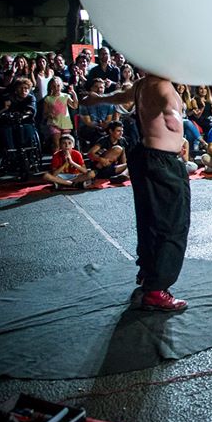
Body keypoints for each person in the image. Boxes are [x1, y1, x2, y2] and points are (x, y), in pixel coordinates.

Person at [81, 74, 191, 311]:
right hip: (163, 161)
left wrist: (95, 99)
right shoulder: (163, 86)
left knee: (150, 219)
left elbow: (120, 96)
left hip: (145, 157)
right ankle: (156, 289)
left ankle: (148, 274)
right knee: (172, 223)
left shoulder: (143, 84)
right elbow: (172, 121)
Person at [43, 76, 78, 152]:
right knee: (57, 143)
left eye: (58, 86)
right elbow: (45, 113)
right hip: (54, 123)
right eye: (54, 86)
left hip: (65, 123)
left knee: (66, 144)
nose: (56, 88)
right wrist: (49, 114)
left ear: (61, 86)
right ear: (51, 87)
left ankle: (67, 160)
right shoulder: (48, 99)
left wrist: (73, 93)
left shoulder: (65, 96)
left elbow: (74, 106)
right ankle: (56, 160)